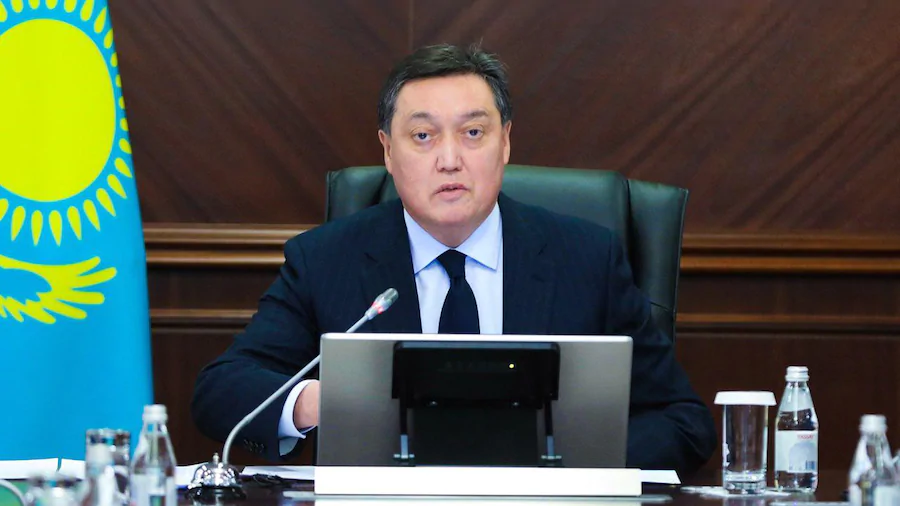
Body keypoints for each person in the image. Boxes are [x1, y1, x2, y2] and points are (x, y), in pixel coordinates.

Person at [192, 43, 716, 475]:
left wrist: (567, 463)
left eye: (473, 133)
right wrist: (318, 401)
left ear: (505, 143)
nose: (449, 160)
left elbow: (682, 421)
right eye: (422, 136)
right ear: (387, 151)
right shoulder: (326, 258)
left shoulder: (585, 258)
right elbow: (220, 392)